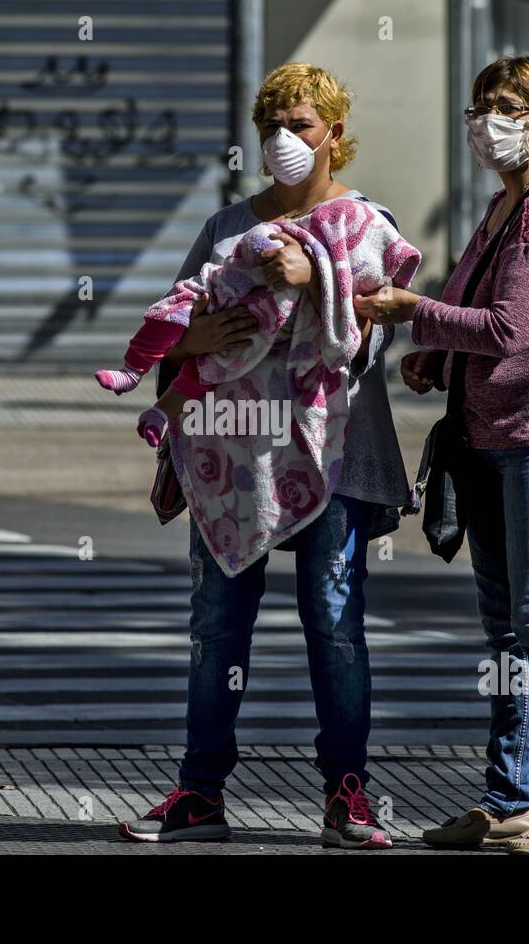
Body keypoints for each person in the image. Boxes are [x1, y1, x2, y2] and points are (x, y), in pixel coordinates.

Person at [117, 62, 409, 849]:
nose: (284, 140)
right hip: (231, 464)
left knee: (335, 624)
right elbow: (171, 325)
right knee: (218, 627)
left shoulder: (362, 224)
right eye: (271, 126)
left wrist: (316, 276)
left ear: (334, 135)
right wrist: (198, 340)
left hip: (334, 455)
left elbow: (378, 325)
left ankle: (347, 792)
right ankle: (200, 792)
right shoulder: (225, 228)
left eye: (302, 125)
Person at [355, 53, 529, 855]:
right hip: (492, 436)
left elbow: (511, 327)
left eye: (507, 106)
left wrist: (412, 312)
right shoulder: (502, 208)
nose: (488, 120)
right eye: (480, 106)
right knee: (507, 630)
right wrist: (432, 355)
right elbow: (478, 321)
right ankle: (509, 800)